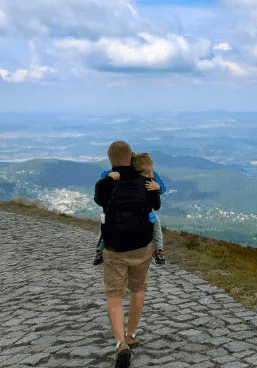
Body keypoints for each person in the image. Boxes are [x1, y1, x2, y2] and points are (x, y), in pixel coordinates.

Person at [95, 141, 161, 368]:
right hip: (142, 246)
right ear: (131, 156)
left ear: (110, 159)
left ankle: (120, 343)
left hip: (115, 249)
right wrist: (156, 188)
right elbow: (156, 206)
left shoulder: (105, 184)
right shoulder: (145, 182)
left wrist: (108, 180)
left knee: (114, 294)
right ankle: (131, 334)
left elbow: (100, 202)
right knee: (138, 289)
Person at [94, 152, 166, 266]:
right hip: (138, 214)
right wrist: (110, 175)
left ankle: (159, 249)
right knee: (106, 220)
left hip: (142, 213)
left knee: (106, 220)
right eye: (148, 172)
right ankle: (100, 249)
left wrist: (158, 187)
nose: (151, 174)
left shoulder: (151, 176)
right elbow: (104, 173)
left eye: (151, 171)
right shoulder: (137, 178)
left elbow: (163, 189)